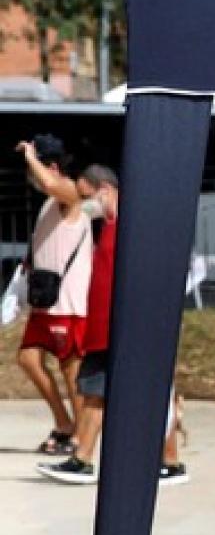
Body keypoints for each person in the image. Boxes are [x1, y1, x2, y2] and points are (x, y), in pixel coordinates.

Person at [34, 165, 189, 486]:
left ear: (105, 189)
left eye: (87, 197)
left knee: (154, 394)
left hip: (129, 327)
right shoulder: (110, 225)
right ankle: (82, 459)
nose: (83, 205)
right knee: (93, 393)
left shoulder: (134, 226)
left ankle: (170, 462)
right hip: (104, 329)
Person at [15, 135, 92, 455]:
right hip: (45, 301)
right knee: (28, 358)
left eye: (35, 169)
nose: (31, 176)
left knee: (71, 369)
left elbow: (50, 184)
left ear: (53, 167)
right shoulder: (49, 201)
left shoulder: (69, 192)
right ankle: (64, 422)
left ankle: (80, 436)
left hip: (68, 303)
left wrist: (31, 158)